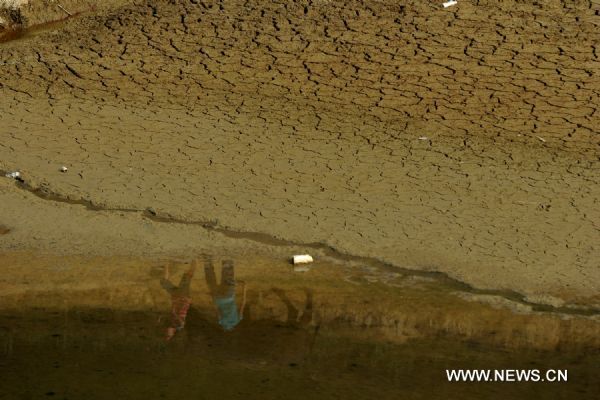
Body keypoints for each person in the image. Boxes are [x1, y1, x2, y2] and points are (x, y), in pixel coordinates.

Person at [204, 258, 247, 331]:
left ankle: (227, 263)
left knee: (228, 280)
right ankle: (208, 264)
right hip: (218, 299)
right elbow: (217, 310)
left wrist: (244, 288)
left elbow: (243, 303)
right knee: (211, 283)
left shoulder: (238, 320)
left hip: (229, 297)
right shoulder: (221, 322)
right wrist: (213, 299)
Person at [161, 259, 196, 341]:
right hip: (183, 297)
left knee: (164, 282)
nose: (167, 331)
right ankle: (195, 261)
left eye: (166, 333)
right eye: (168, 334)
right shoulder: (179, 326)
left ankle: (166, 263)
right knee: (187, 277)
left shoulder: (171, 323)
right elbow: (181, 320)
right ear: (173, 333)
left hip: (176, 296)